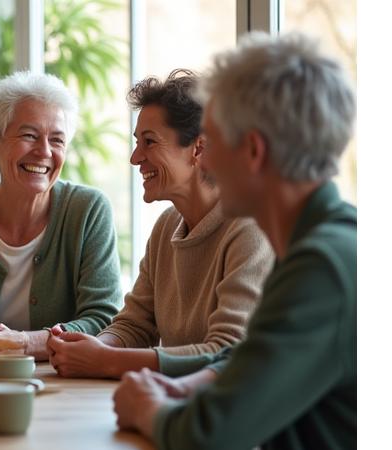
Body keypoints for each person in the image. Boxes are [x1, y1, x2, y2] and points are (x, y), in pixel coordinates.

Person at [113, 32, 356, 450]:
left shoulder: (323, 266)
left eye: (214, 138)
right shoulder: (313, 243)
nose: (203, 158)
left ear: (254, 150)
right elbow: (256, 361)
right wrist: (188, 387)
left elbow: (210, 434)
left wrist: (145, 408)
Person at [47, 70, 273, 379]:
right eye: (137, 142)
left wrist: (105, 360)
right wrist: (90, 347)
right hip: (182, 403)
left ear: (199, 149)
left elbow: (227, 352)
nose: (135, 157)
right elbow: (135, 326)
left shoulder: (250, 228)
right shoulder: (167, 226)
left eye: (149, 142)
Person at [0, 71, 123, 365]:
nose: (44, 152)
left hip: (65, 383)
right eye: (29, 135)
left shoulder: (89, 210)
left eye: (57, 140)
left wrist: (29, 343)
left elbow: (104, 318)